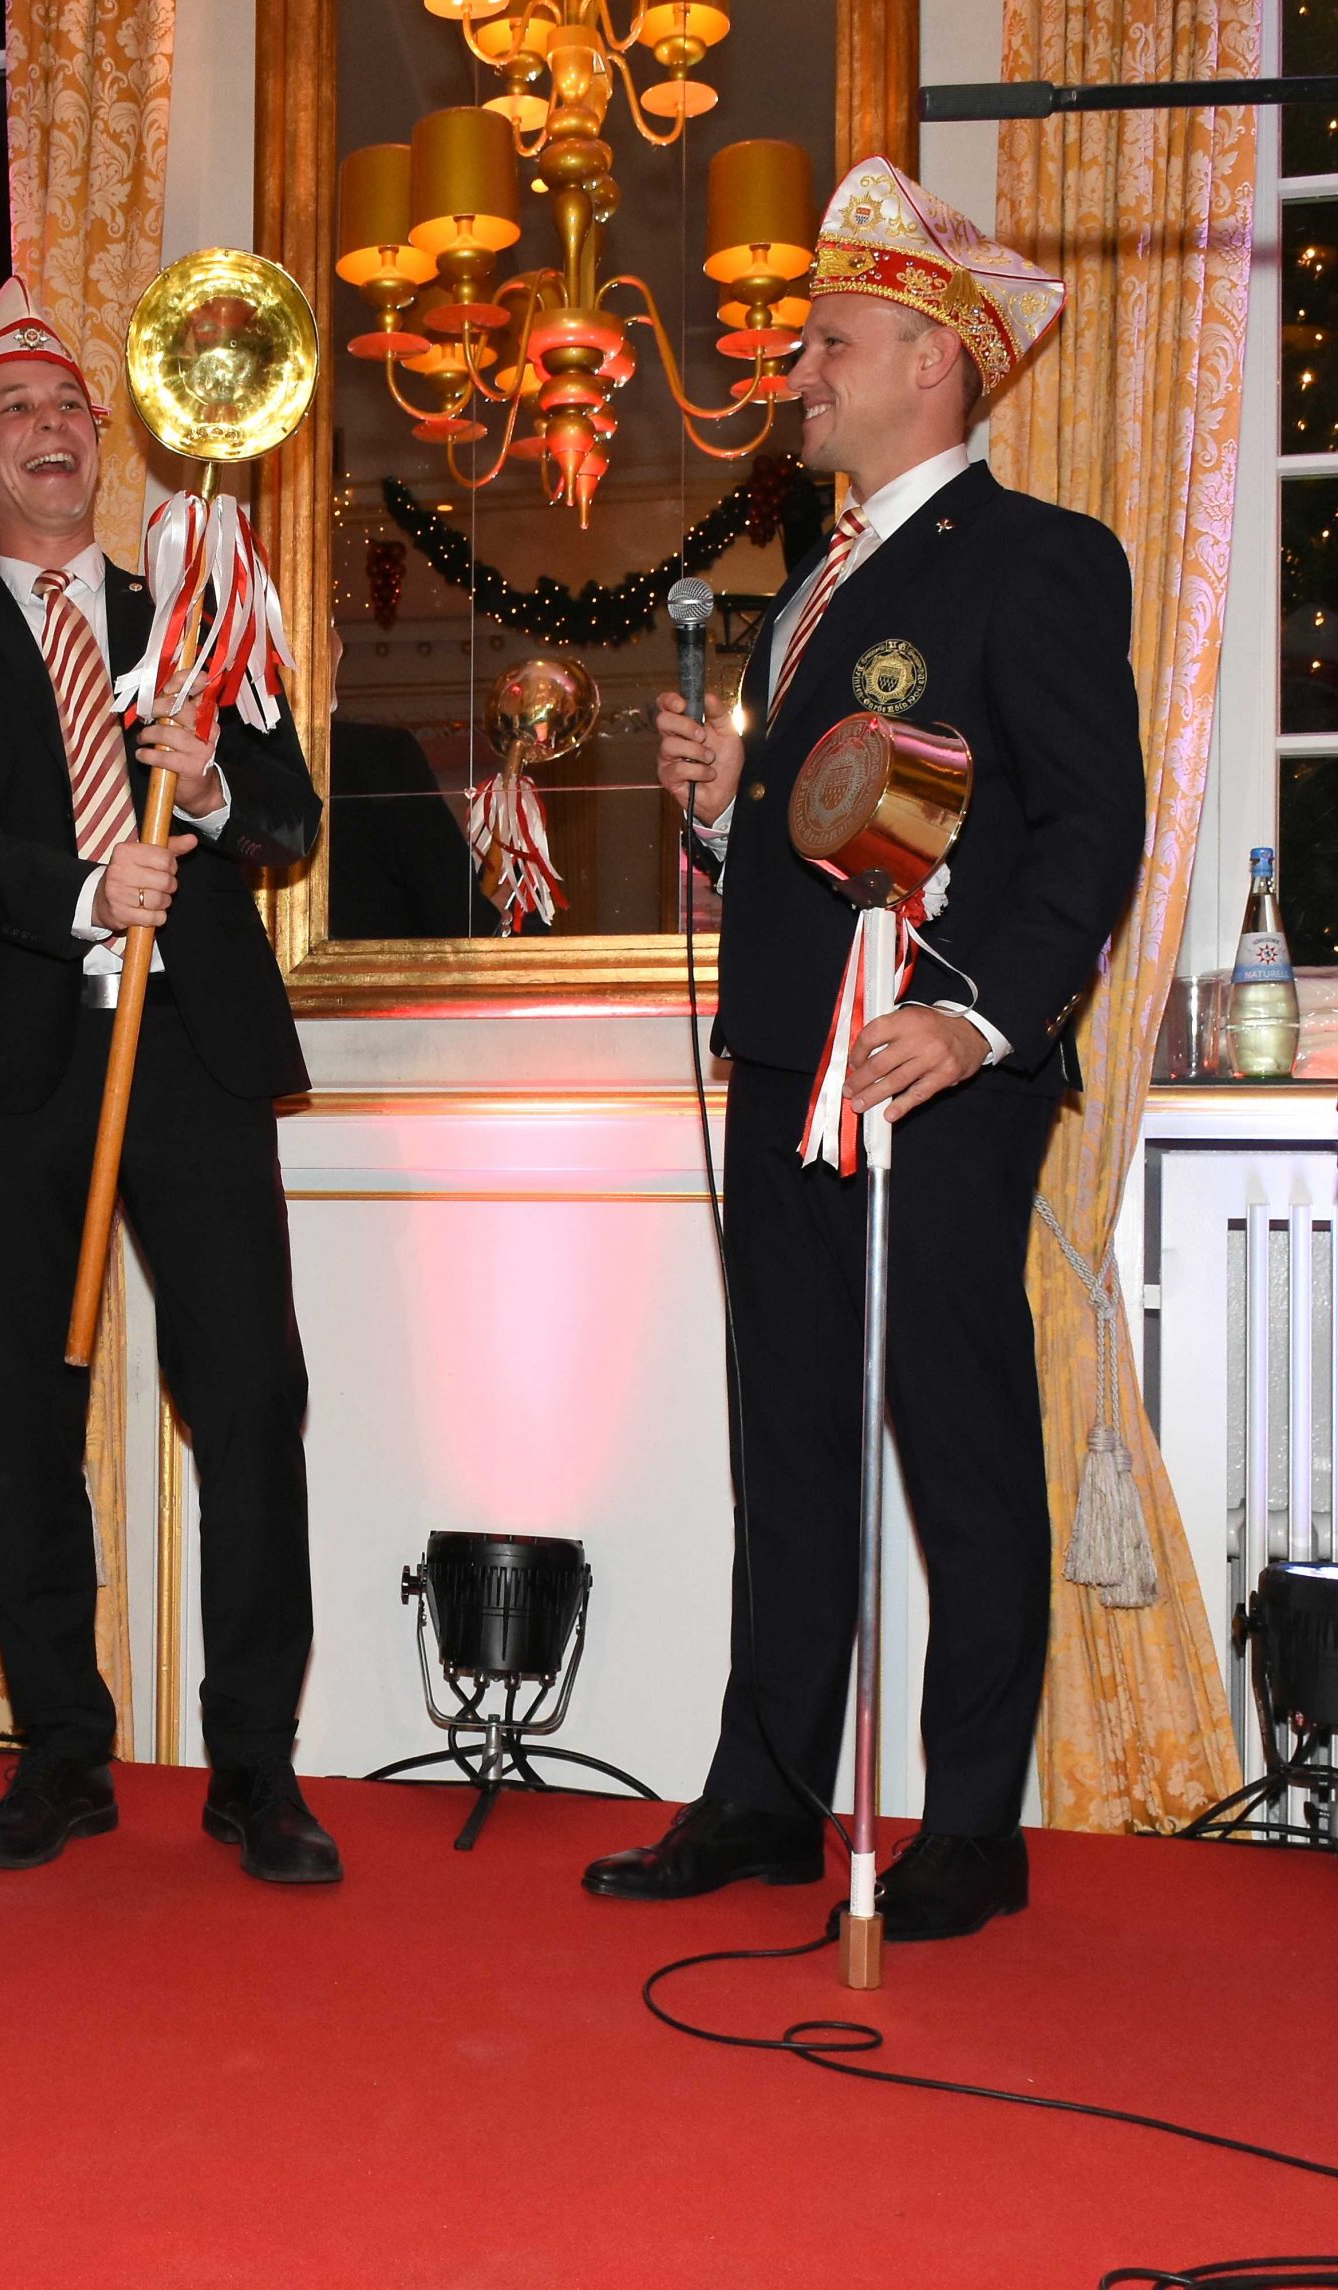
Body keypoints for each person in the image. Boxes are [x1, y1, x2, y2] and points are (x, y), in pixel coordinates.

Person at [583, 162, 1144, 1939]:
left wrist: (975, 1021)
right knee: (791, 1441)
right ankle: (767, 1793)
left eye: (830, 343)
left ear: (929, 359)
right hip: (785, 1069)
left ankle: (971, 1825)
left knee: (959, 1444)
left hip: (934, 1074)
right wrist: (723, 812)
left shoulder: (1041, 561)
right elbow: (823, 841)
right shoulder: (806, 590)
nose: (799, 373)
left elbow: (1090, 836)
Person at [0, 281, 336, 1884]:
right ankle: (63, 1755)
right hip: (24, 1063)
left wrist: (203, 794)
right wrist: (86, 889)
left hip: (191, 1050)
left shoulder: (191, 612)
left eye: (72, 404)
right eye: (17, 410)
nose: (55, 426)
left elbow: (291, 819)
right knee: (32, 1406)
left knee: (252, 1399)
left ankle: (256, 1768)